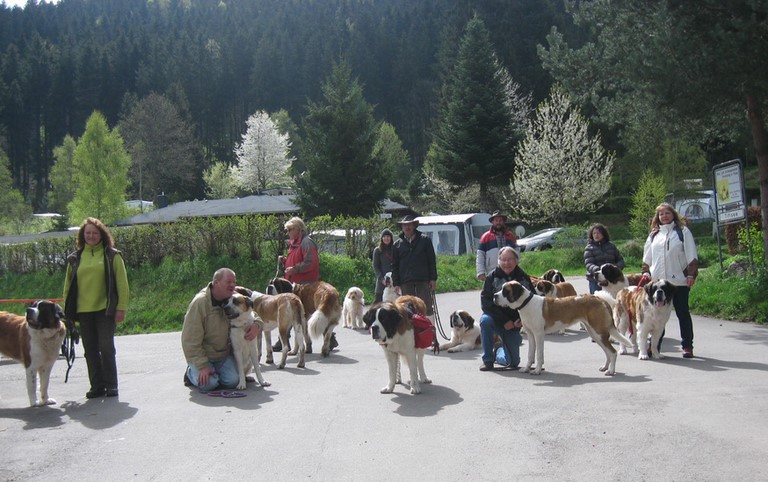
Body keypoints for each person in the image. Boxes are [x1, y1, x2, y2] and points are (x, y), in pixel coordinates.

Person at [63, 217, 129, 399]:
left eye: (94, 233)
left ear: (101, 235)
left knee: (106, 348)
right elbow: (68, 287)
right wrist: (68, 311)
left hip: (105, 310)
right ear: (82, 235)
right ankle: (97, 386)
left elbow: (122, 284)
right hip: (83, 311)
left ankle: (111, 385)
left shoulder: (112, 256)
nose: (91, 236)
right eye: (87, 233)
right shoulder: (75, 258)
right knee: (90, 350)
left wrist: (121, 308)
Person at [181, 268, 262, 391]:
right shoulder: (200, 303)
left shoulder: (231, 296)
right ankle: (191, 373)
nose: (233, 285)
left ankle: (215, 374)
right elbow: (189, 339)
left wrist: (257, 324)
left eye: (234, 282)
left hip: (222, 356)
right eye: (228, 282)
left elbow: (249, 312)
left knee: (233, 381)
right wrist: (201, 365)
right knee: (209, 385)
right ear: (216, 282)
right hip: (204, 356)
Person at [641, 203, 699, 358]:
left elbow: (692, 255)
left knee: (682, 313)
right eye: (661, 214)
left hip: (678, 282)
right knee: (656, 316)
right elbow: (647, 257)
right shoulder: (654, 235)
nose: (664, 216)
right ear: (657, 217)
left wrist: (691, 275)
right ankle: (654, 347)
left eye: (667, 213)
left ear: (673, 214)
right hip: (658, 283)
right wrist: (646, 272)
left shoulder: (683, 232)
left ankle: (687, 346)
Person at [274, 217, 337, 351]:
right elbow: (296, 260)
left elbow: (310, 263)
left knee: (304, 312)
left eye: (290, 229)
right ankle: (284, 341)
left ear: (299, 229)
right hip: (296, 283)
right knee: (300, 312)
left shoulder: (306, 243)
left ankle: (329, 338)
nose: (288, 232)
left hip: (306, 284)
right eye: (287, 230)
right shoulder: (295, 243)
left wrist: (295, 269)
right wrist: (285, 260)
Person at [479, 246, 532, 371]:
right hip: (496, 320)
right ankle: (488, 360)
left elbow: (532, 301)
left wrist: (521, 320)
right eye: (503, 260)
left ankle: (498, 351)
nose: (507, 263)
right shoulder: (491, 277)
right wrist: (504, 321)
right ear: (499, 261)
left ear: (516, 260)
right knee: (485, 321)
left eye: (510, 259)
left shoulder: (523, 277)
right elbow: (486, 303)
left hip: (514, 324)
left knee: (513, 362)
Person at [391, 215, 438, 320]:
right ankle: (412, 330)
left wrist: (433, 279)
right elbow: (394, 265)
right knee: (408, 309)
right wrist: (396, 283)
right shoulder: (397, 245)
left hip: (423, 280)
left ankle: (431, 330)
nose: (407, 227)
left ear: (414, 226)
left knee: (426, 307)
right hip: (406, 282)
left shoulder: (425, 240)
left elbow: (431, 261)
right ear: (402, 227)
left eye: (409, 225)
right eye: (404, 225)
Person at [476, 211, 518, 281]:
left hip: (509, 272)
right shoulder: (485, 237)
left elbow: (517, 254)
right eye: (496, 220)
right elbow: (480, 256)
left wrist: (516, 268)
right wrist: (480, 272)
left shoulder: (510, 236)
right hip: (492, 272)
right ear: (492, 222)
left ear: (503, 222)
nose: (498, 222)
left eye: (500, 220)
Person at [584, 223, 625, 294]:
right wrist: (599, 271)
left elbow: (620, 260)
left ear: (604, 234)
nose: (596, 235)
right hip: (596, 281)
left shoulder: (611, 246)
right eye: (594, 233)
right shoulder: (589, 248)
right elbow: (589, 264)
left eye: (598, 233)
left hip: (612, 280)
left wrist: (614, 270)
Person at [372, 228, 394, 303]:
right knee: (378, 301)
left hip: (393, 280)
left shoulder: (395, 249)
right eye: (384, 237)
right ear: (382, 238)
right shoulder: (377, 250)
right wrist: (381, 279)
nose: (386, 238)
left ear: (391, 238)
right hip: (382, 280)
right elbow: (376, 266)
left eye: (388, 236)